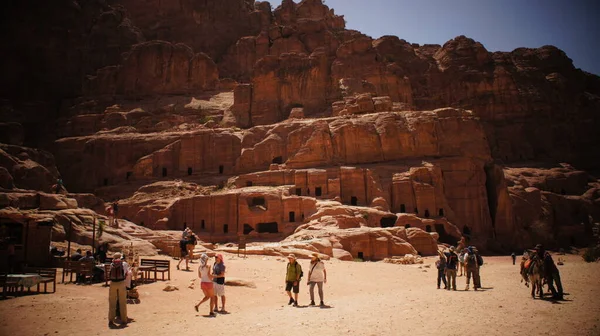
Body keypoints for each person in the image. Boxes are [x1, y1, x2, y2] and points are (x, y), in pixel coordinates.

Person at [108, 252, 129, 327]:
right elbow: (126, 273)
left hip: (113, 283)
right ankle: (124, 320)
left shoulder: (112, 264)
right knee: (122, 301)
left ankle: (111, 319)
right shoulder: (124, 264)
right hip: (121, 283)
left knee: (112, 302)